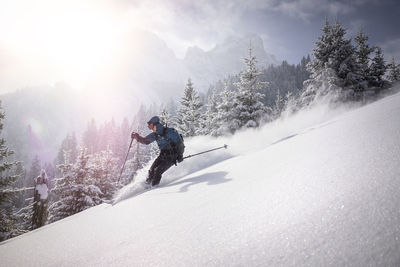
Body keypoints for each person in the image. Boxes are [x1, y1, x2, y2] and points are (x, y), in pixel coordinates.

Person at [131, 116, 182, 187]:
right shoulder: (155, 135)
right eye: (149, 127)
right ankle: (146, 186)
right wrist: (137, 137)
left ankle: (154, 188)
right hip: (163, 154)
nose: (151, 129)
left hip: (172, 155)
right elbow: (145, 141)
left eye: (151, 126)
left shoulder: (169, 132)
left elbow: (180, 143)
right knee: (151, 170)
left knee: (157, 171)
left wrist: (180, 155)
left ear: (156, 124)